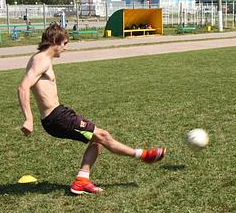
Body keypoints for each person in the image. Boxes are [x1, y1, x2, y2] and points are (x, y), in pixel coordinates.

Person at [17, 23, 166, 195]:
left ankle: (81, 181)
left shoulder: (40, 58)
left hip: (57, 115)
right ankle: (144, 155)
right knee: (103, 135)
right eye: (64, 43)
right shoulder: (42, 60)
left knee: (97, 139)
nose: (65, 48)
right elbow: (23, 87)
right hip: (57, 117)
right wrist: (28, 119)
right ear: (54, 41)